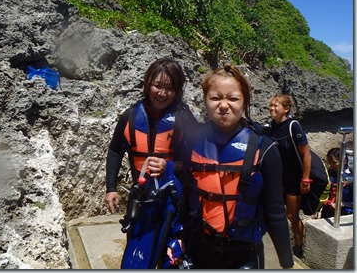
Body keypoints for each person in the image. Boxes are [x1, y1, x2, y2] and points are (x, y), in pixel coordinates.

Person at [169, 65, 294, 269]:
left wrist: (287, 263)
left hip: (244, 254)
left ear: (244, 102)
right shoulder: (191, 141)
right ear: (205, 101)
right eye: (216, 98)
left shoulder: (266, 148)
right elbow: (185, 195)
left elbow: (275, 212)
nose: (224, 105)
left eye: (233, 98)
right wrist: (177, 237)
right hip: (198, 248)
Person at [104, 57, 198, 269]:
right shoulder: (130, 116)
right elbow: (115, 150)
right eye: (157, 85)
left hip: (174, 202)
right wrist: (111, 188)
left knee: (172, 257)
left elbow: (198, 160)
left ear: (178, 90)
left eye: (169, 88)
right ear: (148, 84)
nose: (162, 93)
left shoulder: (184, 118)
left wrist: (170, 167)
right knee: (136, 257)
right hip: (142, 198)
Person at [263, 93, 311, 259]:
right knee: (274, 212)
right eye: (270, 105)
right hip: (278, 179)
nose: (271, 108)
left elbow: (306, 154)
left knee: (291, 214)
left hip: (294, 179)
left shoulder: (293, 126)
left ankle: (298, 245)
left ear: (286, 109)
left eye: (275, 106)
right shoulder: (271, 127)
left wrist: (305, 179)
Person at [320, 147, 353, 218]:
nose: (331, 165)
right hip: (328, 212)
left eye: (334, 162)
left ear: (344, 161)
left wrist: (342, 204)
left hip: (346, 213)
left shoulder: (351, 178)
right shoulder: (329, 175)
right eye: (330, 162)